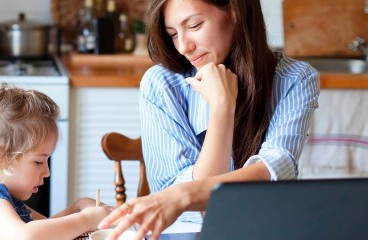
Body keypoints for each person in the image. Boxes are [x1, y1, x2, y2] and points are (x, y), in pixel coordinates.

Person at [98, 0, 319, 239]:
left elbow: (274, 169)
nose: (183, 47)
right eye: (172, 34)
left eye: (194, 25)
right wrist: (221, 109)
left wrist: (182, 196)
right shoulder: (161, 84)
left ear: (235, 12)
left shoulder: (295, 79)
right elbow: (191, 212)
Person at [0, 84, 112, 240]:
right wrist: (86, 219)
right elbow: (25, 236)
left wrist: (77, 207)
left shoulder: (5, 196)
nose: (47, 172)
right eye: (38, 162)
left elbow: (47, 230)